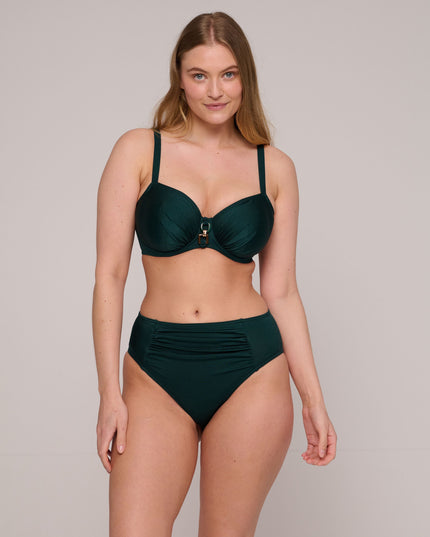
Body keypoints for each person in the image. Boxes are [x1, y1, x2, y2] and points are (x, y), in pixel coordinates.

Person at [92, 11, 337, 537]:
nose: (215, 90)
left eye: (228, 74)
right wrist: (109, 393)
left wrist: (314, 400)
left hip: (251, 369)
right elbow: (110, 275)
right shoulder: (139, 150)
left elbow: (282, 292)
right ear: (179, 78)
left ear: (245, 77)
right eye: (199, 75)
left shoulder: (275, 167)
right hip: (156, 366)